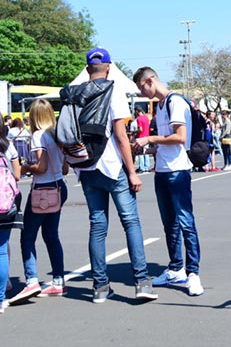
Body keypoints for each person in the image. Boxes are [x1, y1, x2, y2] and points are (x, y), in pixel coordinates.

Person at [73, 48, 158, 303]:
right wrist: (132, 171)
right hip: (112, 166)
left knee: (97, 227)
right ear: (108, 67)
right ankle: (141, 282)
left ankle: (99, 287)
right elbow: (121, 136)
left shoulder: (75, 94)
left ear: (88, 68)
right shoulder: (113, 91)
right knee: (130, 222)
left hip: (86, 167)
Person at [133, 66, 204, 296]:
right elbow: (167, 143)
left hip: (178, 170)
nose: (143, 93)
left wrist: (149, 139)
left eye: (142, 87)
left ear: (150, 81)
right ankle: (176, 268)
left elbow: (181, 137)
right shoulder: (161, 106)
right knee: (169, 224)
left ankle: (193, 273)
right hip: (163, 170)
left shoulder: (175, 102)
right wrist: (147, 149)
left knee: (185, 221)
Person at [10, 99, 69, 303]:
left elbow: (41, 167)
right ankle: (58, 280)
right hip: (59, 186)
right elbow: (64, 169)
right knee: (52, 235)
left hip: (43, 189)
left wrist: (26, 167)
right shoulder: (56, 135)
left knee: (27, 236)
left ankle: (32, 280)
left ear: (35, 116)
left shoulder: (38, 136)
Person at [1, 128, 22, 314]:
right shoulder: (8, 146)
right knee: (2, 247)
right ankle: (3, 286)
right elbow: (17, 175)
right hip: (5, 204)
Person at [134, 107, 151, 173]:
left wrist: (135, 132)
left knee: (140, 153)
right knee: (146, 152)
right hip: (147, 136)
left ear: (137, 111)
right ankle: (147, 166)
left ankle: (142, 167)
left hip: (141, 137)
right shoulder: (146, 117)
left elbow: (140, 129)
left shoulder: (138, 119)